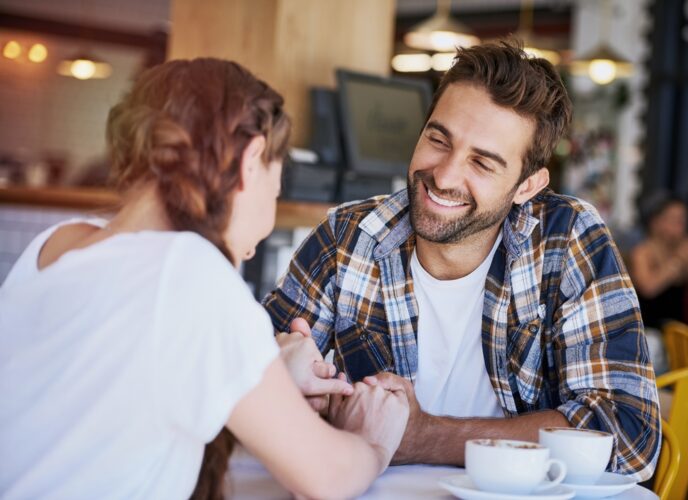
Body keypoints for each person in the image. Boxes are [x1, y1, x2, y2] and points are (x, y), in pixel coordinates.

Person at [0, 58, 409, 499]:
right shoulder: (188, 270)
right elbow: (326, 478)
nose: (255, 241)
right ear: (251, 159)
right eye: (274, 192)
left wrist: (269, 372)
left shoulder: (56, 245)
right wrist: (375, 438)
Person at [264, 40, 660, 480]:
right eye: (439, 139)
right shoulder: (347, 237)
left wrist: (422, 435)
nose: (446, 175)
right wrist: (285, 379)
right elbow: (241, 390)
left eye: (483, 163)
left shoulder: (567, 240)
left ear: (527, 186)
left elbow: (629, 435)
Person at [630, 191, 688, 328]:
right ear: (656, 222)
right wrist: (678, 261)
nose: (681, 225)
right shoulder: (643, 252)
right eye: (675, 220)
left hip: (680, 329)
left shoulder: (686, 248)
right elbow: (648, 288)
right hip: (649, 329)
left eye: (683, 220)